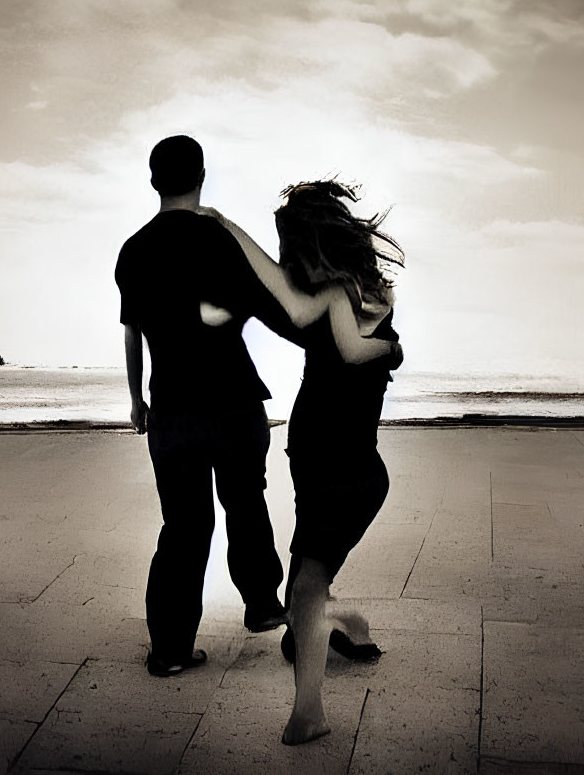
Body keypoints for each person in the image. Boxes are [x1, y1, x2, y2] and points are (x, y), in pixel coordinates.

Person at [115, 136, 330, 678]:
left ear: (152, 180)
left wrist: (136, 398)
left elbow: (133, 333)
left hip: (172, 410)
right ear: (202, 175)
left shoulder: (134, 250)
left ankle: (168, 650)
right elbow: (273, 296)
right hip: (234, 403)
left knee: (183, 527)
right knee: (245, 499)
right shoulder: (221, 240)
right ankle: (261, 602)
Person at [205, 180, 404, 745]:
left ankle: (309, 712)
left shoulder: (339, 298)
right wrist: (226, 227)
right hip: (334, 466)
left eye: (292, 249)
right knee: (305, 595)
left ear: (313, 246)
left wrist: (227, 227)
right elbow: (276, 280)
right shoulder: (366, 295)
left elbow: (334, 338)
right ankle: (352, 626)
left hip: (343, 473)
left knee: (306, 592)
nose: (289, 263)